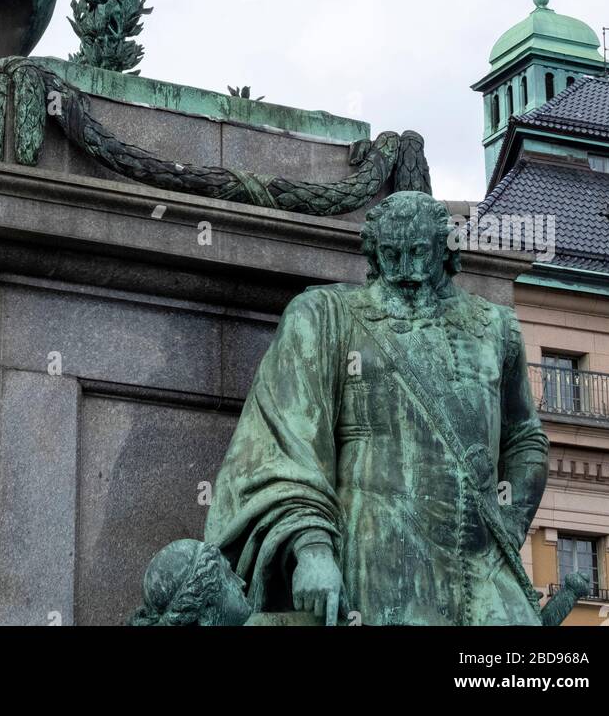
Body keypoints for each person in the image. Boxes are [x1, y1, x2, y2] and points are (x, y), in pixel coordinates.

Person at [205, 191, 550, 626]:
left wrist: (511, 523)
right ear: (373, 252)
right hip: (379, 563)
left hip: (483, 568)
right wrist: (312, 550)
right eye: (391, 255)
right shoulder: (324, 315)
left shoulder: (497, 327)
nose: (405, 271)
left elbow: (524, 438)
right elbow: (283, 445)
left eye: (419, 253)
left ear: (446, 249)